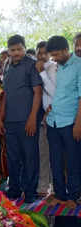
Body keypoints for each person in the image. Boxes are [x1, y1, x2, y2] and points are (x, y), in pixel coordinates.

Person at [0, 34, 43, 203]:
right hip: (10, 121)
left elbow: (37, 92)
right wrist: (1, 118)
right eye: (12, 50)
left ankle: (30, 192)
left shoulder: (31, 65)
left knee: (30, 156)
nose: (16, 53)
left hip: (27, 120)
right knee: (13, 157)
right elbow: (6, 95)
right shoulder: (7, 66)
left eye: (19, 49)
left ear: (24, 48)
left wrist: (32, 118)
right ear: (8, 51)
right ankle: (14, 189)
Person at [45, 36, 81, 207]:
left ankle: (74, 196)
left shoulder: (79, 65)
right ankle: (60, 194)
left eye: (57, 54)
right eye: (52, 56)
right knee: (55, 159)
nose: (55, 58)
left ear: (67, 50)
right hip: (53, 121)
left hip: (70, 122)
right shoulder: (55, 67)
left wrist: (78, 124)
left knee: (73, 160)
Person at [35, 41, 57, 196]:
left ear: (50, 54)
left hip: (56, 117)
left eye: (45, 53)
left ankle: (57, 189)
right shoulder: (35, 67)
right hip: (41, 118)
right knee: (42, 153)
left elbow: (53, 92)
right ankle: (43, 187)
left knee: (55, 155)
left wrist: (42, 73)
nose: (42, 56)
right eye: (39, 53)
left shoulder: (53, 68)